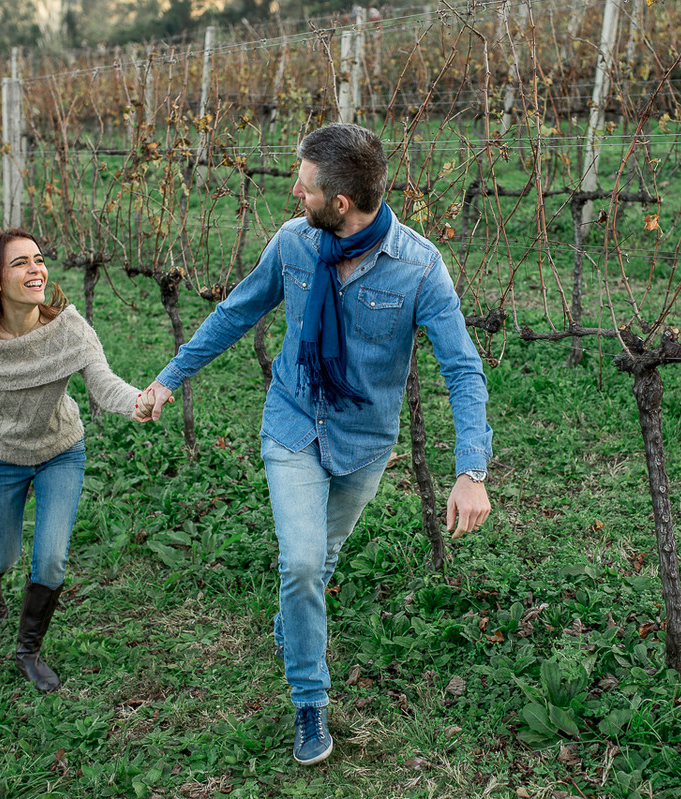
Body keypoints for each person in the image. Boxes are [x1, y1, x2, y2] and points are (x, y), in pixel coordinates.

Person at [137, 124, 492, 765]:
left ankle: (292, 623)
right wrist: (169, 378)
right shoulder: (293, 245)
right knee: (301, 562)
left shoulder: (419, 267)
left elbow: (462, 368)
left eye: (304, 185)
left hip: (362, 443)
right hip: (293, 425)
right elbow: (237, 311)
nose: (294, 192)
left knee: (318, 560)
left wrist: (472, 469)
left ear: (341, 204)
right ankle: (310, 701)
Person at [0, 229, 148, 692]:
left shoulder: (68, 329)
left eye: (39, 259)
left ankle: (27, 651)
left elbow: (103, 383)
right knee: (3, 554)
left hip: (60, 452)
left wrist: (136, 402)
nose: (37, 270)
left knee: (50, 559)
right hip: (0, 457)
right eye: (20, 263)